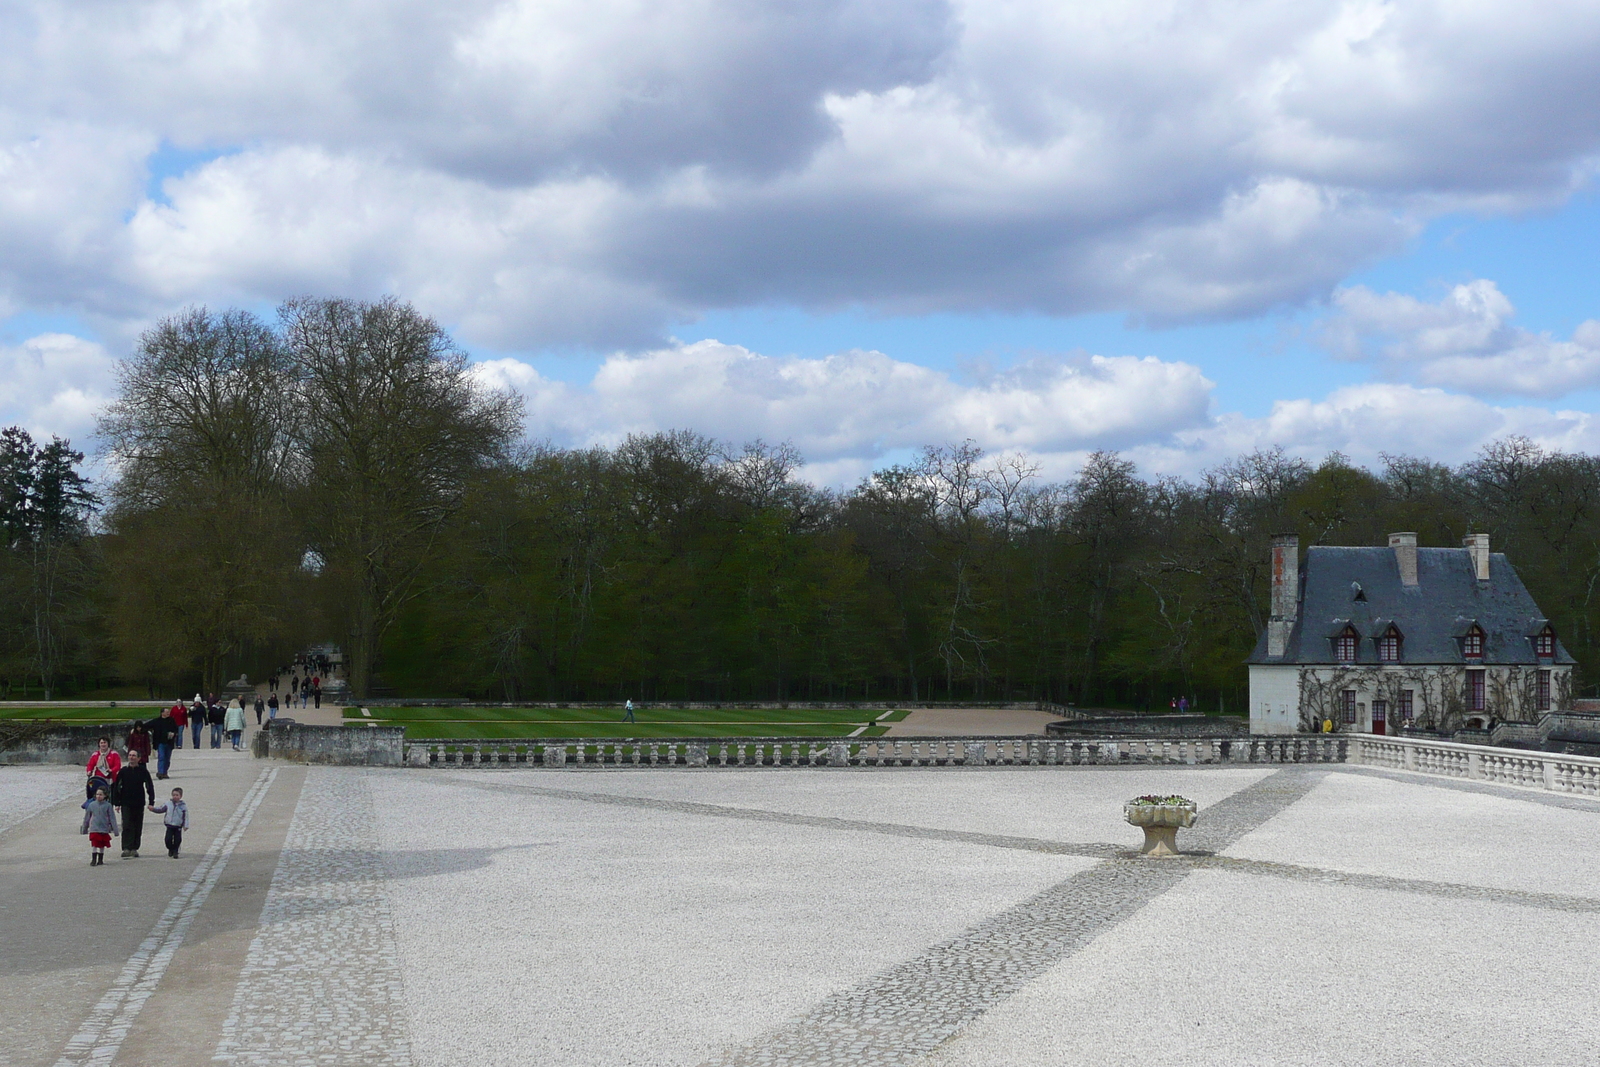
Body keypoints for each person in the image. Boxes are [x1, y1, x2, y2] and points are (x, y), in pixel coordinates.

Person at [113, 750, 156, 858]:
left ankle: (134, 848)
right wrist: (116, 802)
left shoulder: (143, 771)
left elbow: (149, 786)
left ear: (139, 758)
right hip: (126, 802)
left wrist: (151, 801)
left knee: (137, 825)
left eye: (134, 756)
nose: (131, 757)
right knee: (127, 824)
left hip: (138, 802)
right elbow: (116, 787)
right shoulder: (123, 771)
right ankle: (126, 847)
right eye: (130, 755)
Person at [80, 786, 118, 866]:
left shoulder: (108, 805)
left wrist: (115, 830)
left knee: (102, 845)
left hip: (104, 828)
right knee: (94, 844)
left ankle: (100, 859)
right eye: (97, 794)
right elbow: (87, 817)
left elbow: (112, 818)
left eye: (100, 794)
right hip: (94, 828)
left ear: (105, 795)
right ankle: (94, 859)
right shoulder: (92, 805)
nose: (98, 796)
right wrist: (84, 828)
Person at [148, 787, 189, 859]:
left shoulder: (183, 806)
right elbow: (161, 809)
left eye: (177, 795)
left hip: (178, 826)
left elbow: (185, 816)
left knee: (177, 839)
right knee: (168, 839)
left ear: (180, 796)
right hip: (169, 825)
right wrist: (153, 809)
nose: (175, 797)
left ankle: (176, 851)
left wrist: (185, 825)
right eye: (174, 795)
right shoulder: (168, 804)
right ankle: (170, 848)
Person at [147, 706, 180, 780]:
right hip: (160, 742)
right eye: (167, 712)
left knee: (167, 759)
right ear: (162, 713)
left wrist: (173, 733)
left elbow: (176, 729)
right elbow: (146, 726)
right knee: (161, 757)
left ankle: (164, 772)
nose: (168, 713)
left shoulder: (171, 720)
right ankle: (160, 772)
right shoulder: (157, 721)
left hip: (169, 742)